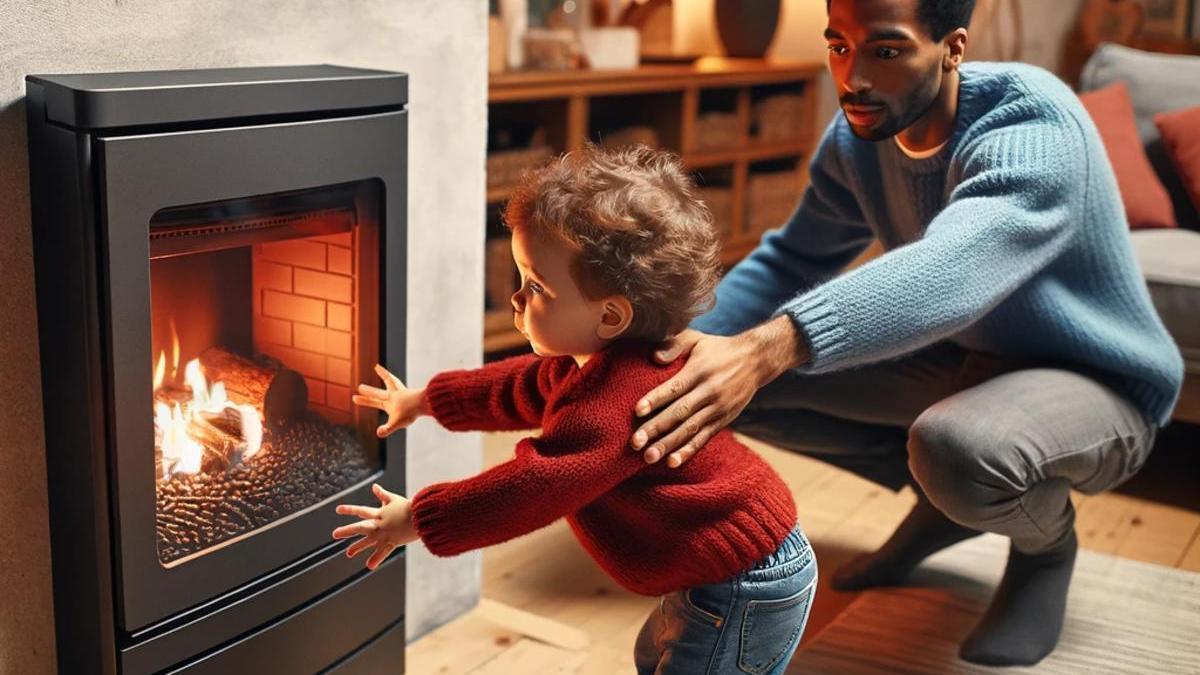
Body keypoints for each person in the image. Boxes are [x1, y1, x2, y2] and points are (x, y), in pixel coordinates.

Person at [626, 0, 1184, 667]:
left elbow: (954, 265)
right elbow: (794, 259)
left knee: (955, 445)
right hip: (972, 359)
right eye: (838, 45)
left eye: (885, 52)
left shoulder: (1035, 121)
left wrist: (764, 347)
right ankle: (946, 500)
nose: (852, 76)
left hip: (1097, 380)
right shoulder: (857, 140)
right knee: (710, 385)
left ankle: (1045, 546)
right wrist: (666, 357)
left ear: (951, 48)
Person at [333, 146, 818, 674]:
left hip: (746, 580)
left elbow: (533, 486)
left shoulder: (619, 400)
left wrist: (421, 519)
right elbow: (519, 386)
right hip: (719, 568)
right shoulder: (592, 359)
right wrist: (425, 400)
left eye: (536, 286)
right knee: (653, 656)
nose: (516, 299)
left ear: (610, 314)